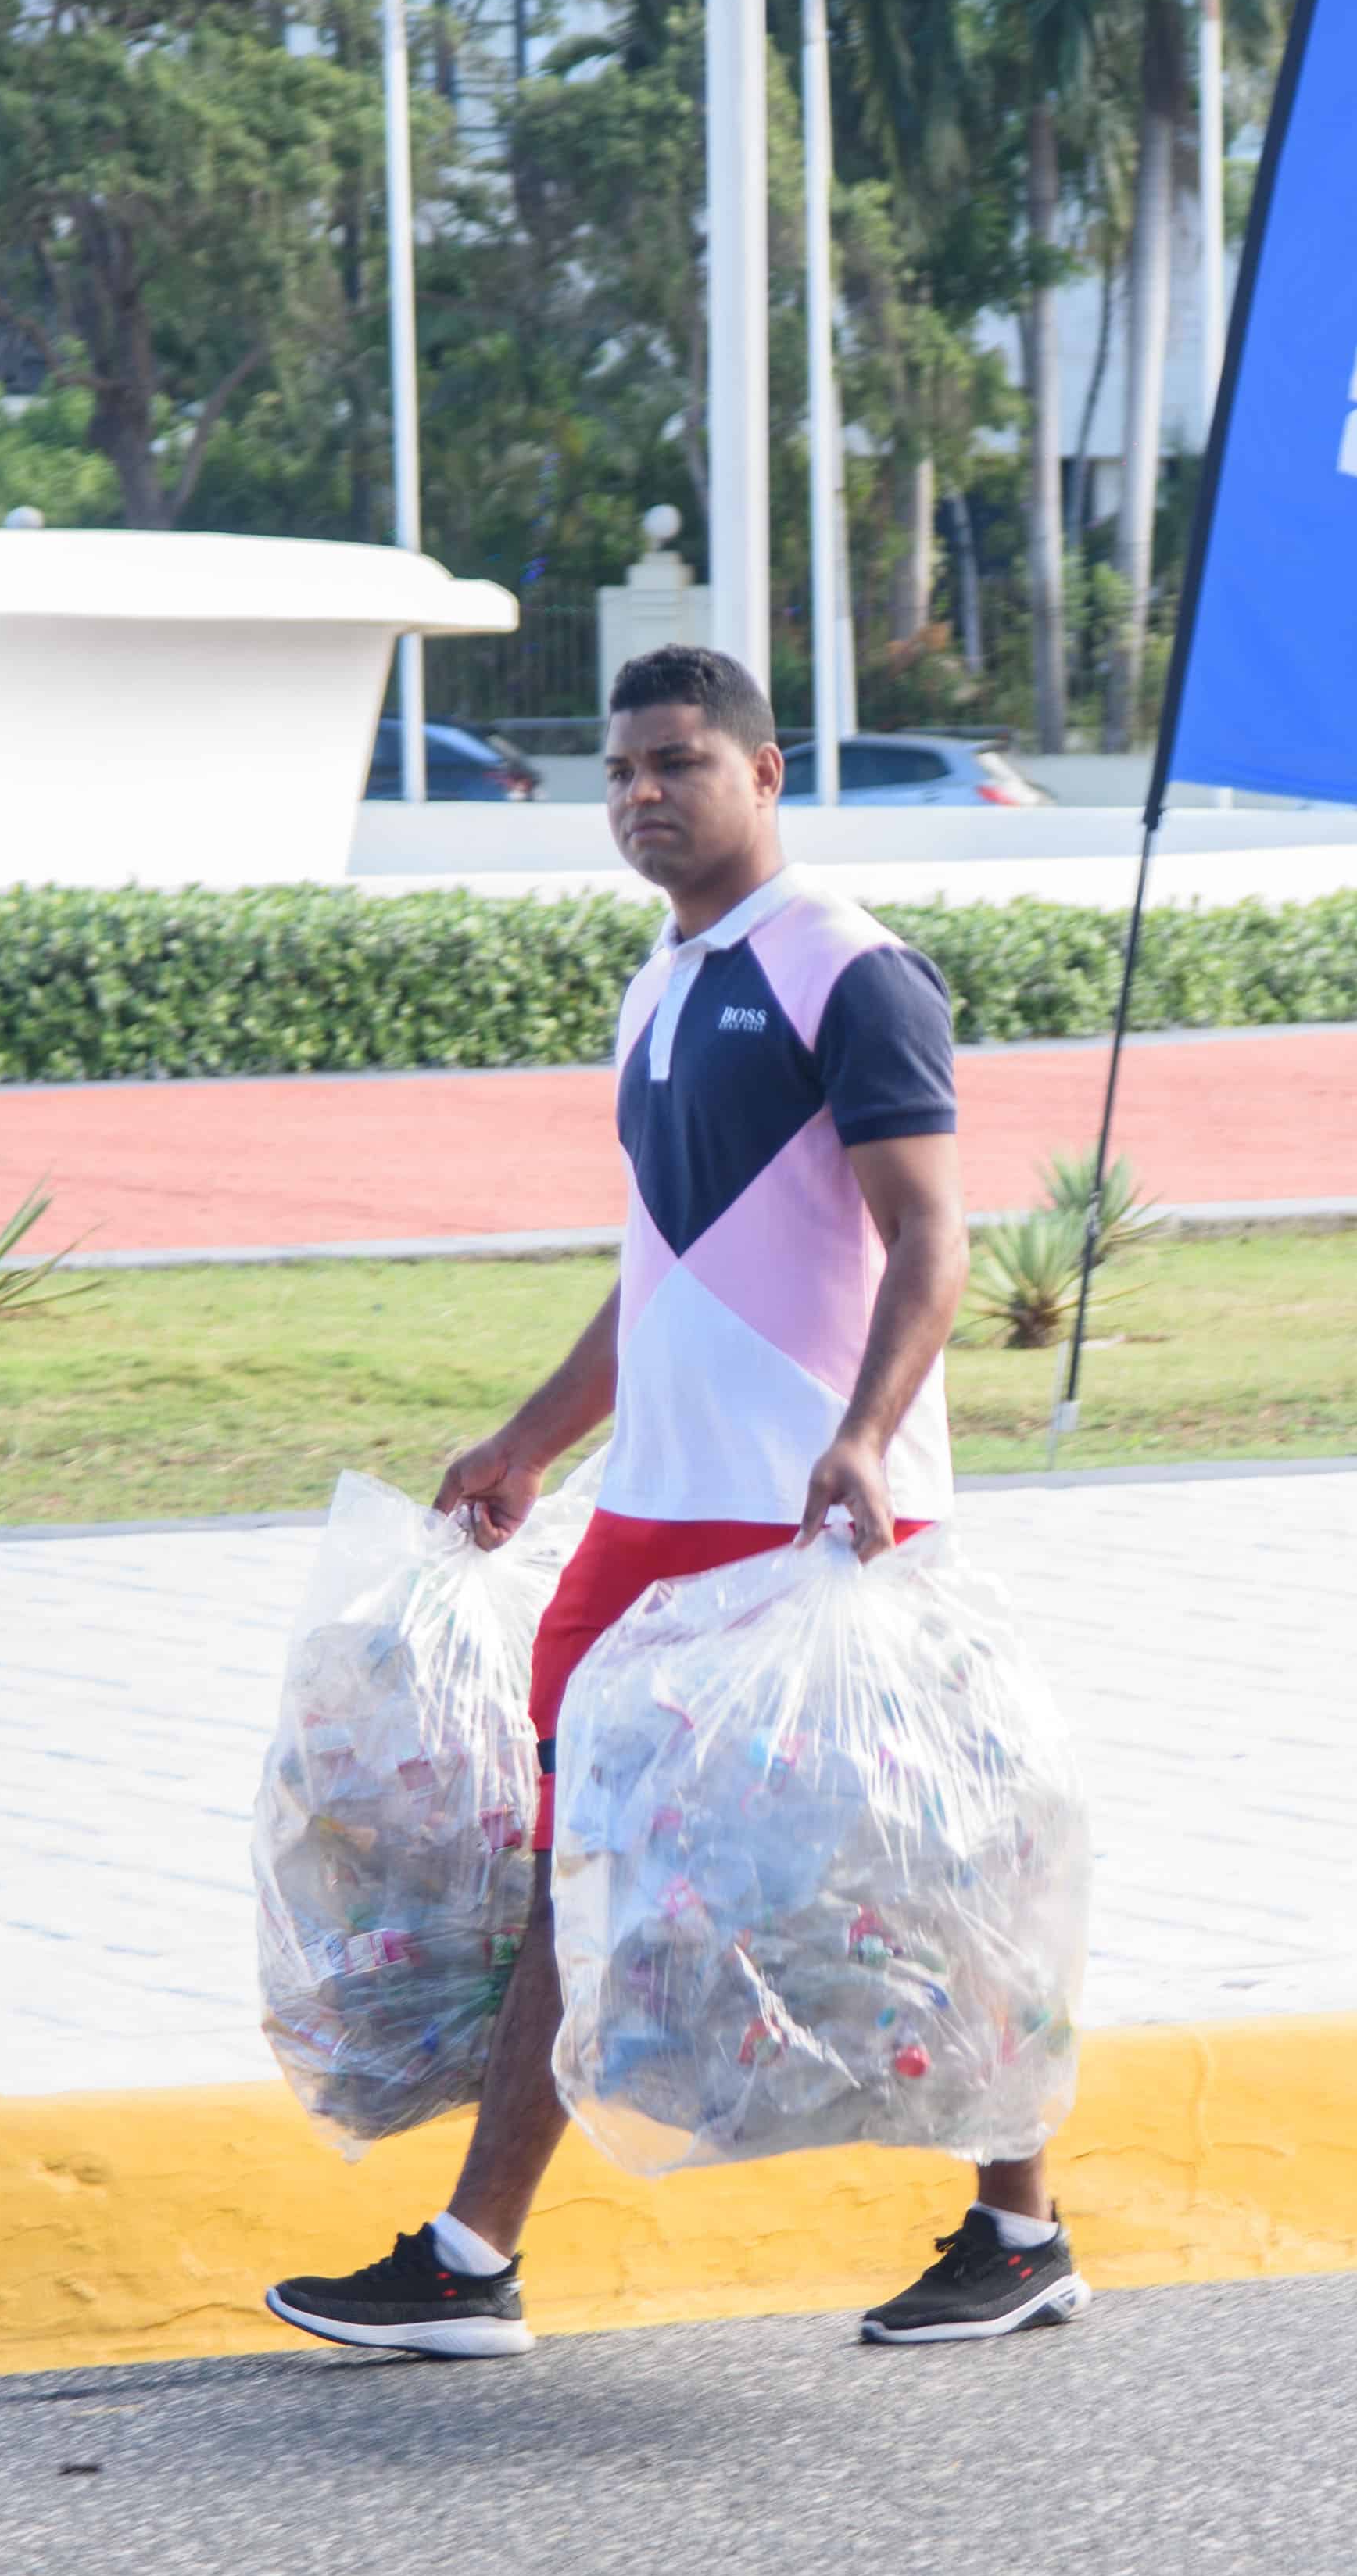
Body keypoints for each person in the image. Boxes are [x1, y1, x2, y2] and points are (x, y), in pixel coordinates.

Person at [263, 645, 1085, 2359]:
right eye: (623, 768)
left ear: (766, 773)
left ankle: (1019, 2227)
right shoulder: (659, 981)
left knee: (925, 1863)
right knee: (585, 1861)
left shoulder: (847, 973)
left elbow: (935, 1239)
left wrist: (865, 1439)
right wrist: (530, 1440)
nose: (643, 793)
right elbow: (667, 1271)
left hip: (813, 1512)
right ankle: (469, 2264)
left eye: (680, 763)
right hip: (656, 1509)